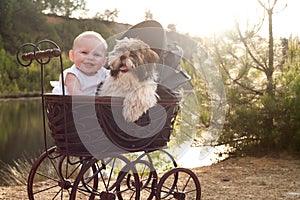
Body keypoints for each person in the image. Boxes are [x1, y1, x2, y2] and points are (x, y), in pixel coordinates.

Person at [52, 31, 108, 95]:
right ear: (72, 55)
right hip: (71, 103)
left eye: (96, 55)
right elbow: (75, 94)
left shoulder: (104, 73)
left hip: (95, 102)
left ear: (104, 61)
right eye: (84, 52)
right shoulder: (72, 75)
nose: (90, 58)